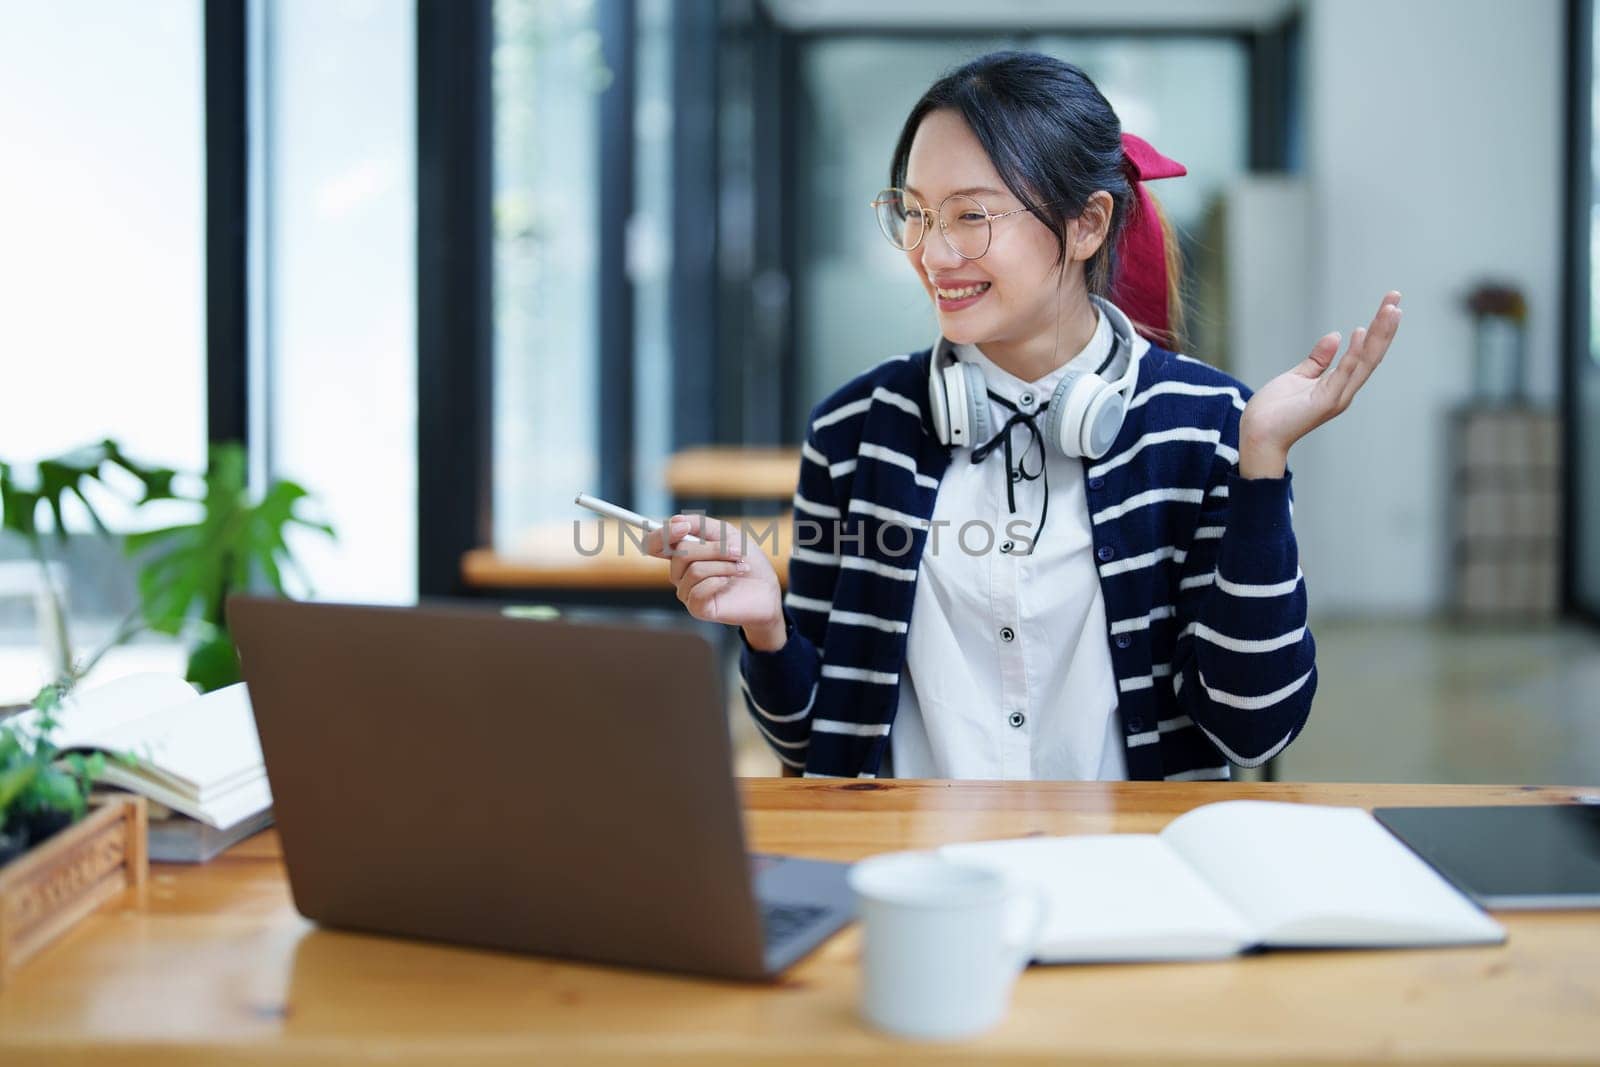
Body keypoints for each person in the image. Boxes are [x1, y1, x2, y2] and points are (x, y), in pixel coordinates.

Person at [648, 50, 1401, 781]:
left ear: (1086, 225)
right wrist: (767, 629)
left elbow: (1254, 726)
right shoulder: (853, 431)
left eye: (970, 214)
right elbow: (816, 744)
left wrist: (1261, 463)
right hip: (912, 875)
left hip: (1127, 877)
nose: (933, 253)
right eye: (914, 214)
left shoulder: (1209, 426)